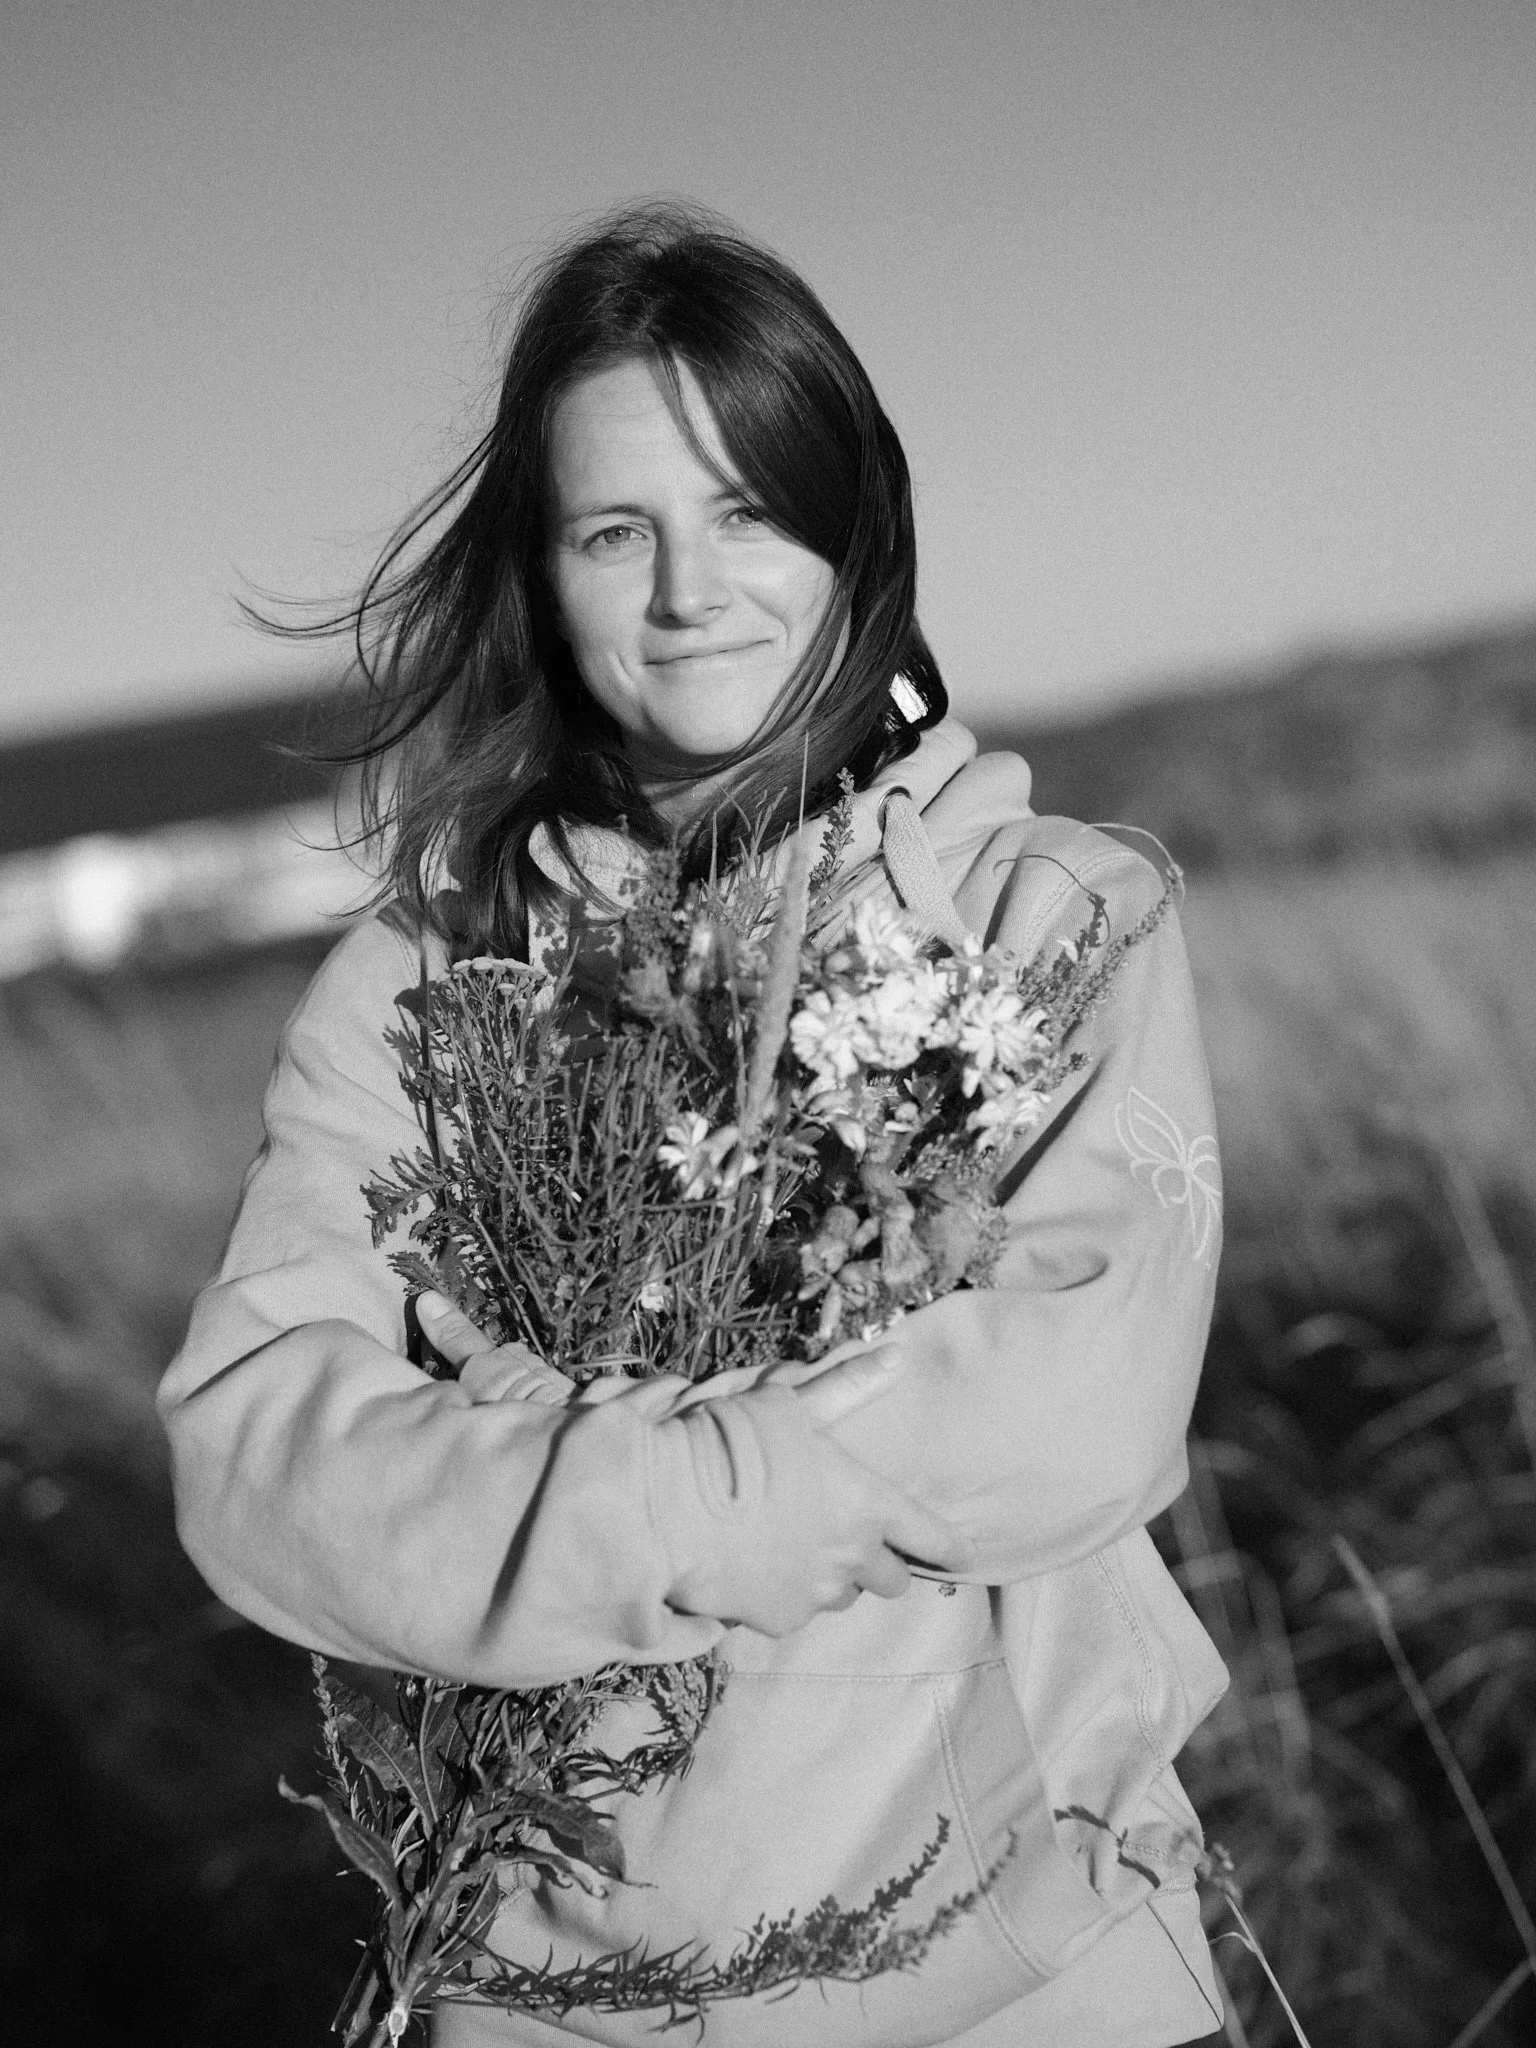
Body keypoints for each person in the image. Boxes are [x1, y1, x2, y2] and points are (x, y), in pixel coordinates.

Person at [159, 203, 1231, 2048]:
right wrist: (792, 1446)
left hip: (1030, 1980)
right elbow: (258, 1472)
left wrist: (534, 1437)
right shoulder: (429, 987)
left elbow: (1074, 1418)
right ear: (544, 575)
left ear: (851, 528)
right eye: (612, 528)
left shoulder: (1050, 919)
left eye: (748, 507)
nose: (687, 591)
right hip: (538, 2004)